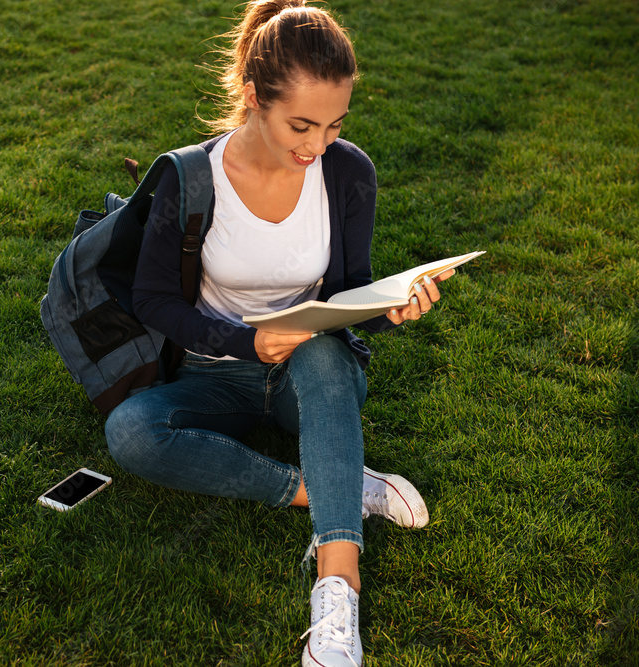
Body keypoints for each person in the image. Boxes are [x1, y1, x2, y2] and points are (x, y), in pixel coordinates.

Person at [104, 1, 456, 665]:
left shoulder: (348, 173)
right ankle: (335, 484)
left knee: (322, 355)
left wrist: (392, 307)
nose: (317, 144)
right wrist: (243, 342)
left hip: (309, 375)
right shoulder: (191, 175)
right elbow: (152, 297)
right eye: (301, 124)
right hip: (211, 370)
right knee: (129, 432)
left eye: (333, 124)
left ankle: (337, 587)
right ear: (253, 98)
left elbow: (351, 289)